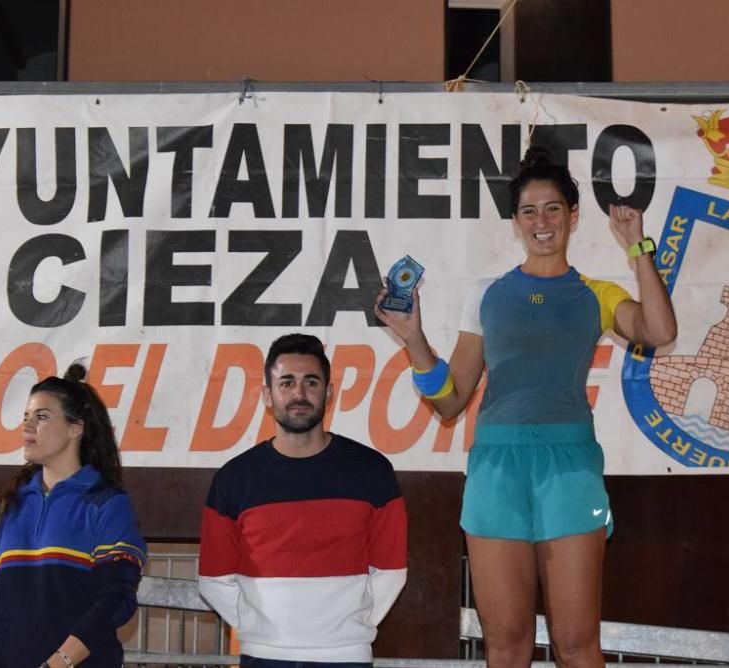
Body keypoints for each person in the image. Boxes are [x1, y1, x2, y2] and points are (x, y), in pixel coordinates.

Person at [375, 146, 677, 668]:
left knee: (577, 645)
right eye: (530, 211)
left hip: (570, 467)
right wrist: (414, 339)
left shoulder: (595, 292)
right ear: (515, 222)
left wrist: (637, 247)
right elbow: (450, 400)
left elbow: (661, 331)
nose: (542, 221)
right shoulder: (487, 293)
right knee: (507, 645)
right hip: (496, 467)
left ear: (573, 215)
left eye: (554, 208)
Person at [198, 333, 407, 668]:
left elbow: (391, 571)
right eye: (286, 383)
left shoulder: (372, 472)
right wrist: (260, 629)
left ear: (330, 392)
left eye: (311, 382)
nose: (298, 393)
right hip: (263, 657)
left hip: (346, 658)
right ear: (267, 395)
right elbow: (212, 579)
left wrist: (348, 631)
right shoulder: (234, 479)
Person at [0, 364, 147, 668]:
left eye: (41, 417)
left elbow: (116, 598)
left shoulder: (107, 504)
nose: (26, 426)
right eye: (25, 417)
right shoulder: (7, 507)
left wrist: (61, 662)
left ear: (76, 428)